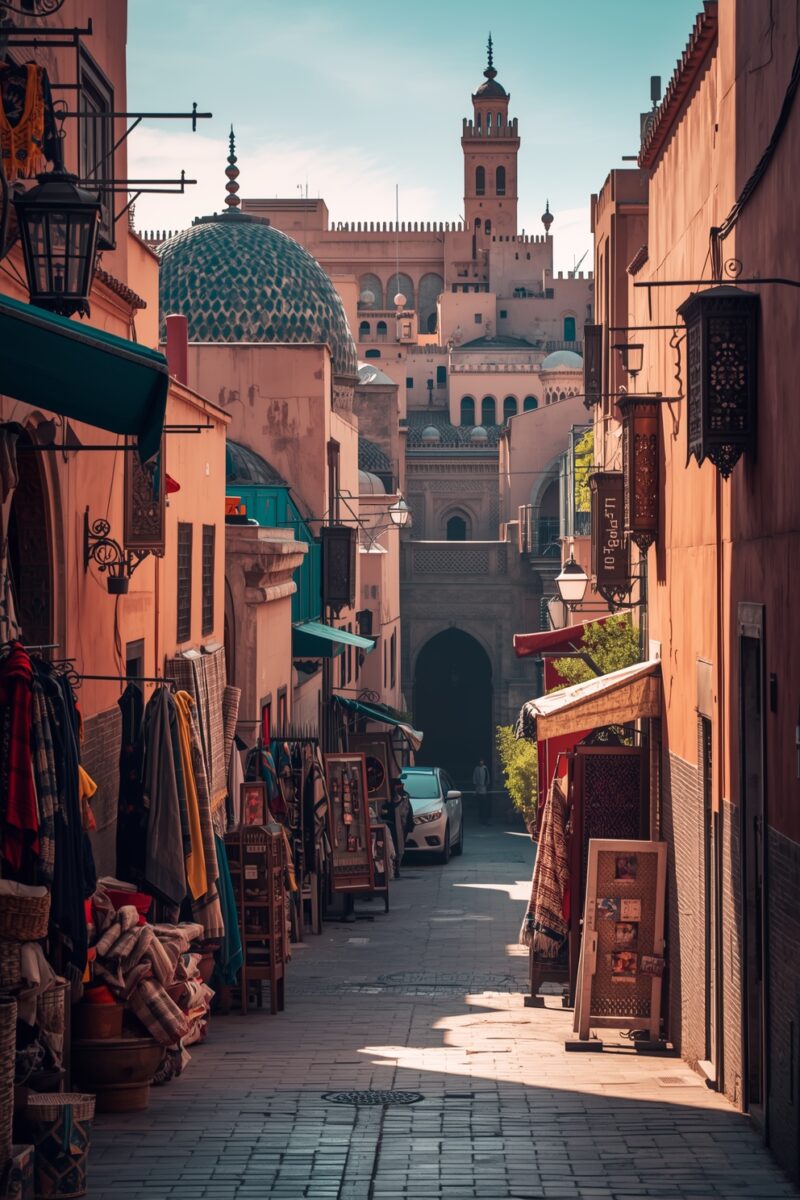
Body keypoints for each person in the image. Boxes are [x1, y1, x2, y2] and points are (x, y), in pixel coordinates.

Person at [473, 758, 491, 825]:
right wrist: (475, 786)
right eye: (480, 761)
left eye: (482, 761)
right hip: (478, 789)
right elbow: (474, 777)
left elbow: (487, 778)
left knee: (484, 805)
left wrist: (486, 786)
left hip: (484, 789)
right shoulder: (476, 769)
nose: (481, 762)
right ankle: (480, 819)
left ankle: (485, 819)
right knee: (480, 805)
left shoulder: (485, 768)